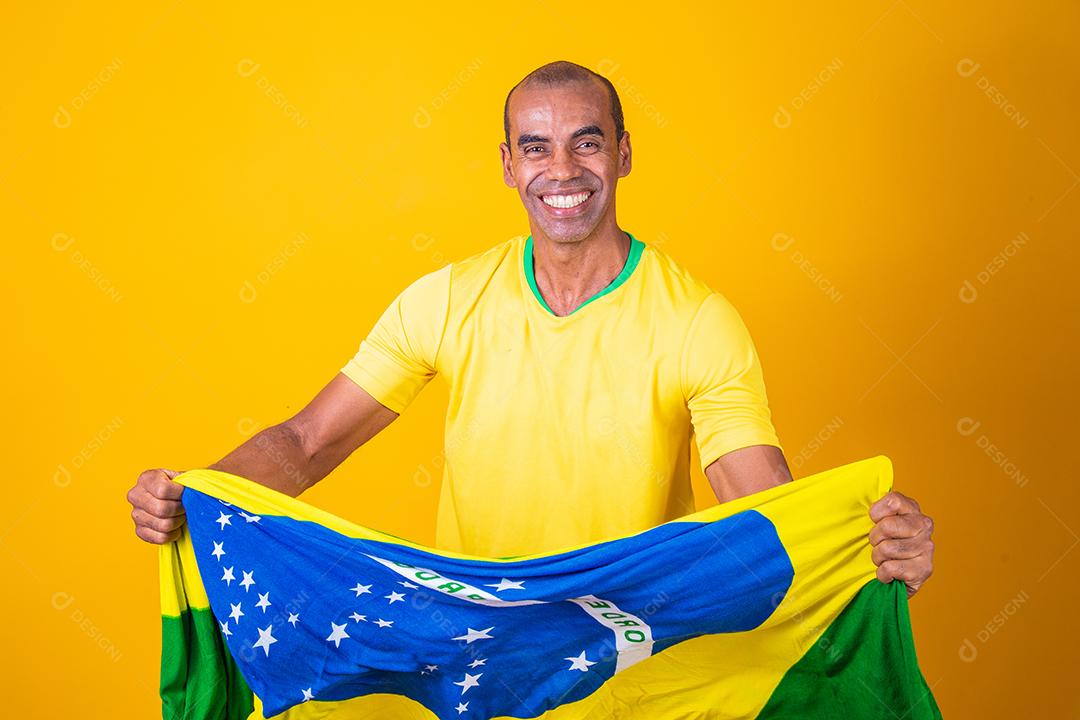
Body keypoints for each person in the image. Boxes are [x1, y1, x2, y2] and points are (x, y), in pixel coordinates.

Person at [127, 60, 933, 597]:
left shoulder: (696, 320)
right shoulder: (445, 300)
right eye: (536, 148)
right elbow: (306, 445)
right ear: (509, 165)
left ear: (623, 154)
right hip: (483, 657)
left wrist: (860, 547)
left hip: (634, 653)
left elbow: (756, 501)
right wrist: (193, 492)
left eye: (587, 142)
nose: (563, 171)